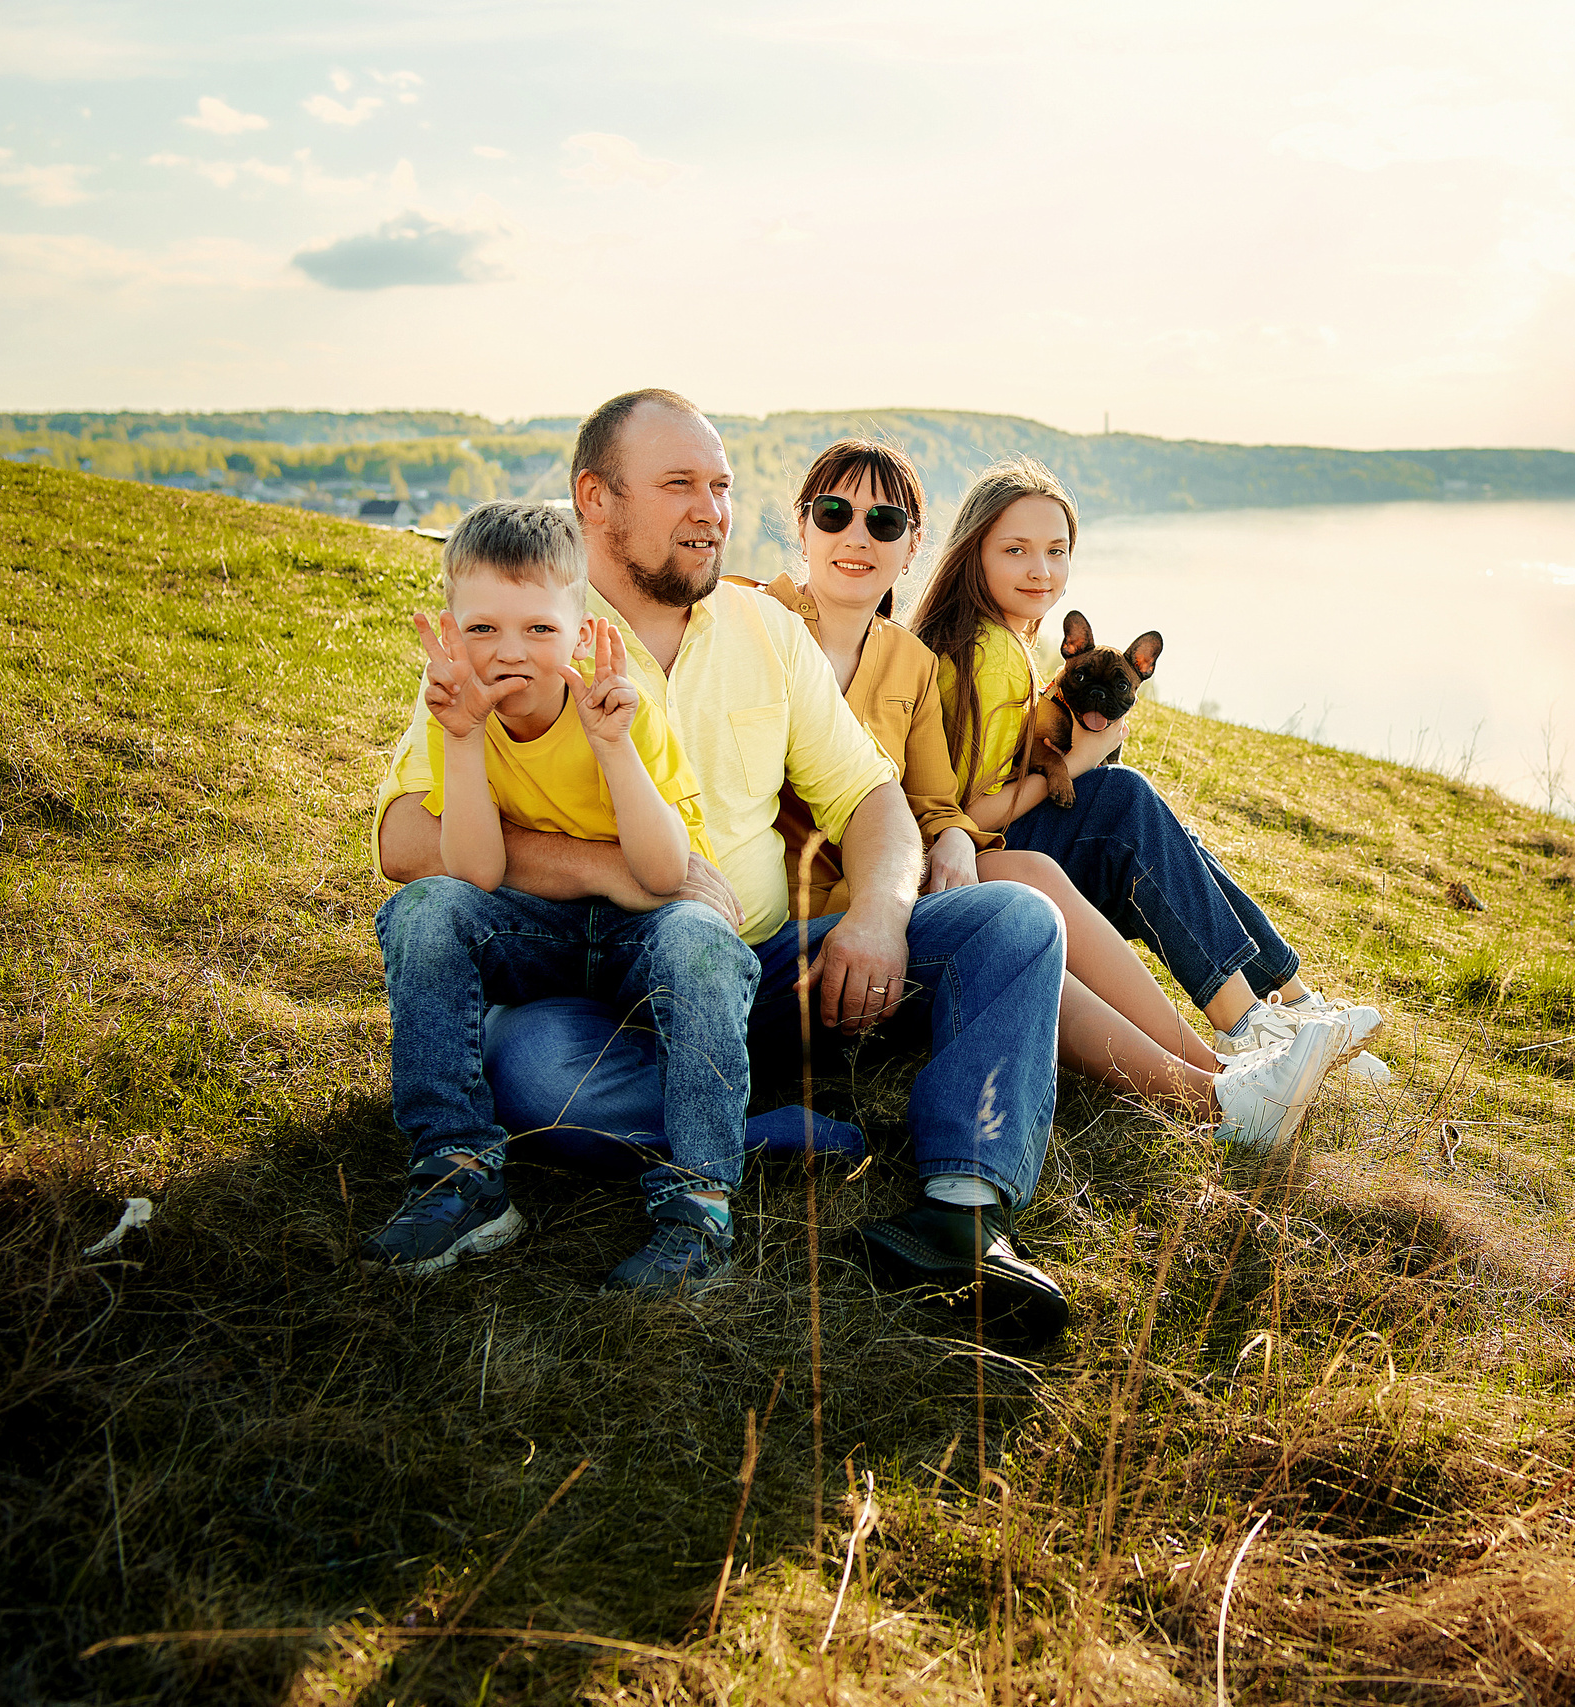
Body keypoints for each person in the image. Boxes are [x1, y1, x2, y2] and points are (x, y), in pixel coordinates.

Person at [370, 390, 1071, 1340]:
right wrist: (601, 868)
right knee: (525, 1064)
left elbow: (872, 798)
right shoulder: (520, 623)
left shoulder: (763, 629)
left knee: (1017, 919)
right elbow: (406, 838)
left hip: (758, 973)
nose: (711, 510)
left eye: (722, 486)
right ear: (597, 499)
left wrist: (876, 911)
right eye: (678, 485)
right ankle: (742, 1129)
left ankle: (962, 1213)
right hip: (580, 995)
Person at [757, 437, 1347, 1145]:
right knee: (1060, 863)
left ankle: (1233, 1067)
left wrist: (948, 836)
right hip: (814, 914)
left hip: (891, 887)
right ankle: (1227, 1077)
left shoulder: (905, 659)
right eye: (833, 514)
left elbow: (938, 799)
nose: (858, 535)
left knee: (1064, 853)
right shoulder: (759, 622)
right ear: (801, 523)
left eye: (883, 523)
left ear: (913, 544)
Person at [363, 501, 758, 1294]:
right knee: (426, 909)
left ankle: (698, 1204)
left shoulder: (618, 703)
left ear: (578, 634)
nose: (509, 652)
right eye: (483, 631)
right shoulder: (457, 713)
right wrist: (466, 740)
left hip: (640, 929)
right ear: (450, 629)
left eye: (538, 630)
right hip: (534, 929)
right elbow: (470, 871)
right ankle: (459, 1170)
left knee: (699, 942)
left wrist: (612, 745)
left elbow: (658, 871)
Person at [914, 457, 1392, 1090]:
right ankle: (1253, 1021)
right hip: (975, 863)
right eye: (1016, 549)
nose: (1041, 569)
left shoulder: (987, 638)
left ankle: (1295, 1007)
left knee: (1162, 831)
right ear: (974, 552)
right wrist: (1081, 761)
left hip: (993, 852)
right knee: (1124, 801)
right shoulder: (991, 653)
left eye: (1057, 551)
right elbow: (963, 815)